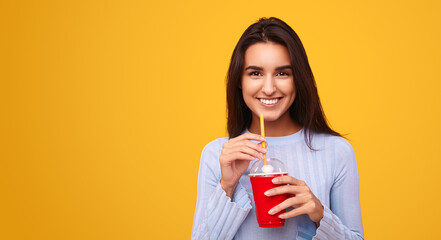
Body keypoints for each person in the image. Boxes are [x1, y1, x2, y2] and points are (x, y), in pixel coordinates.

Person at [192, 17, 364, 240]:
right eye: (255, 73)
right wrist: (227, 186)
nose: (270, 88)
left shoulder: (337, 152)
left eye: (282, 73)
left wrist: (320, 214)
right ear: (239, 81)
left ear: (297, 79)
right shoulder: (217, 155)